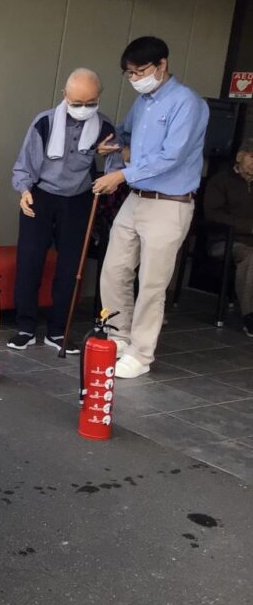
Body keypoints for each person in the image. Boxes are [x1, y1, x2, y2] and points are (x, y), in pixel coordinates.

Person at [93, 36, 210, 378]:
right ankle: (117, 336)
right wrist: (113, 146)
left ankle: (141, 354)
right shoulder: (143, 101)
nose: (135, 79)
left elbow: (171, 157)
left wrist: (121, 173)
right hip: (137, 197)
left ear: (162, 64)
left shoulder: (186, 103)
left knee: (152, 282)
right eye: (129, 74)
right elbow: (125, 134)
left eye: (139, 71)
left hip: (169, 203)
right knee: (114, 269)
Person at [9, 68, 116, 353]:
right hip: (40, 195)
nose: (83, 109)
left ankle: (58, 330)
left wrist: (108, 172)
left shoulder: (104, 127)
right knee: (30, 261)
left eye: (90, 102)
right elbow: (25, 162)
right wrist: (24, 191)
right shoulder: (44, 121)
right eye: (77, 102)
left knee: (71, 266)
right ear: (65, 96)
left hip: (78, 198)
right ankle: (25, 327)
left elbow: (116, 167)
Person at [203, 143, 253, 336]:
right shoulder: (221, 180)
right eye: (252, 157)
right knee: (250, 257)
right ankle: (250, 316)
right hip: (225, 240)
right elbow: (213, 214)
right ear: (240, 156)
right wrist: (248, 226)